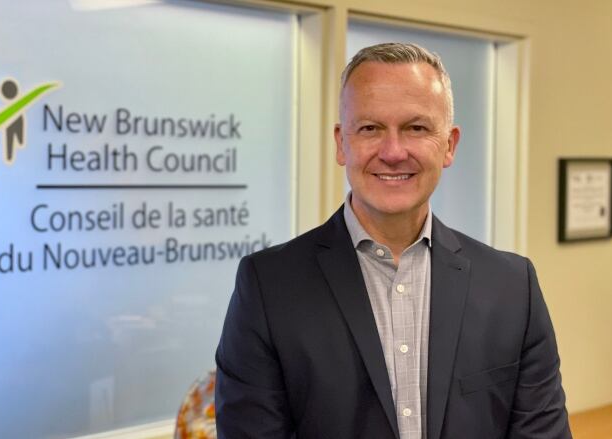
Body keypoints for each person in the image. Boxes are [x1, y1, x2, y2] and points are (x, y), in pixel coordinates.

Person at [215, 42, 571, 439]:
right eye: (370, 128)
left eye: (416, 128)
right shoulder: (268, 286)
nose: (393, 152)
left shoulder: (512, 286)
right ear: (341, 143)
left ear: (449, 144)